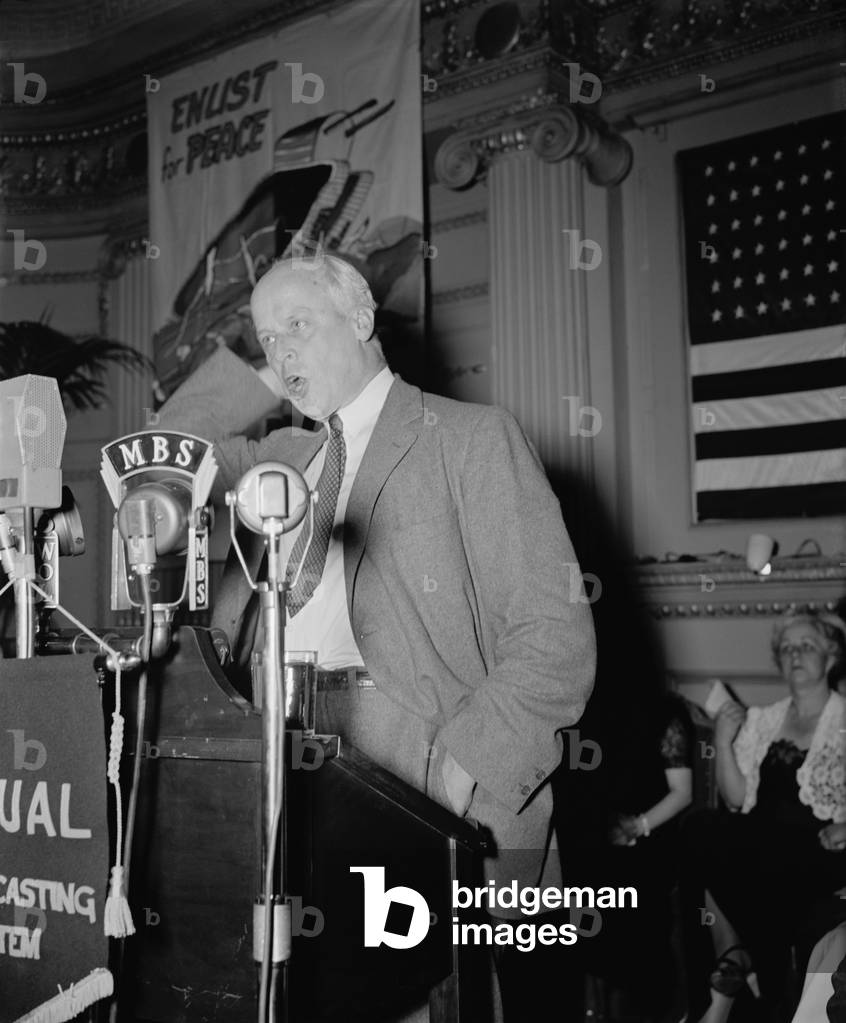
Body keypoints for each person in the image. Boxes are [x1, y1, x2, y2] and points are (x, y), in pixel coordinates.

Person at [157, 252, 597, 1020]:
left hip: (419, 756)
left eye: (299, 325)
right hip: (286, 750)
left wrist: (461, 768)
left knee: (442, 1000)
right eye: (269, 340)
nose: (283, 350)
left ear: (363, 320)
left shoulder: (469, 437)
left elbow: (554, 636)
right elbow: (164, 445)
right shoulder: (284, 461)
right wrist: (269, 368)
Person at [681, 611, 846, 1023]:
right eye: (787, 647)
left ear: (830, 656)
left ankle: (744, 972)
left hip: (820, 845)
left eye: (806, 645)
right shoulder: (764, 719)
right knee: (699, 829)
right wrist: (722, 739)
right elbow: (736, 798)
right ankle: (733, 967)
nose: (795, 654)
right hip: (761, 837)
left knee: (768, 862)